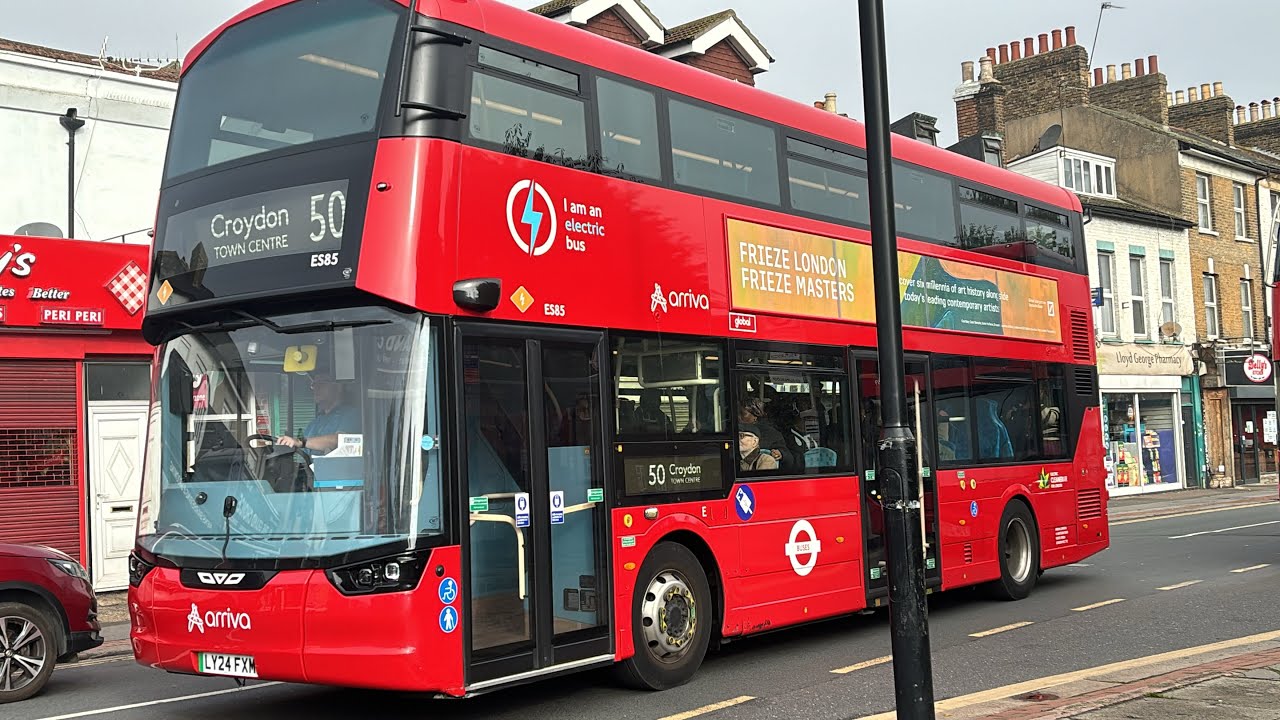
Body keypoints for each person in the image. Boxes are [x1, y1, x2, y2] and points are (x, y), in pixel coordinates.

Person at [276, 369, 362, 456]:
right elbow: (303, 449)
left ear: (338, 387)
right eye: (314, 384)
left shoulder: (351, 415)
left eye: (322, 383)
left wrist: (300, 442)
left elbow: (339, 441)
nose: (316, 388)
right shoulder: (316, 422)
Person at [738, 396, 789, 468]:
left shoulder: (771, 434)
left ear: (755, 416)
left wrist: (781, 453)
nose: (738, 417)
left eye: (743, 414)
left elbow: (788, 457)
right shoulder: (734, 430)